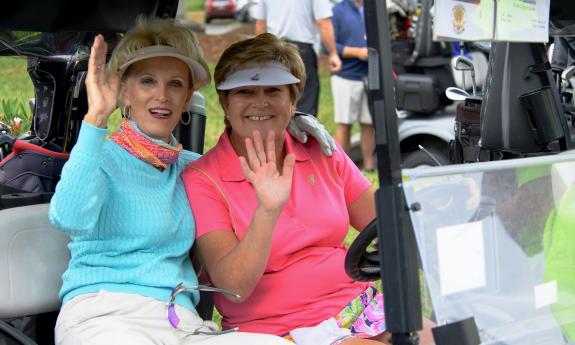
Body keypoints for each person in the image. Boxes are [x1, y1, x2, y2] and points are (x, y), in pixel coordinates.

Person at [48, 17, 297, 345]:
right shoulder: (99, 157)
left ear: (187, 97)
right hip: (104, 314)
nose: (162, 96)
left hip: (180, 322)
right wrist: (95, 119)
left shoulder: (193, 170)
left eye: (175, 84)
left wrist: (291, 130)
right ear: (125, 91)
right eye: (147, 81)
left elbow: (250, 166)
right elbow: (68, 218)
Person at [182, 33, 392, 345]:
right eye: (245, 91)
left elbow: (384, 223)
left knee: (441, 333)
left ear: (293, 100)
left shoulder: (320, 150)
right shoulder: (204, 177)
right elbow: (232, 286)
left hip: (358, 304)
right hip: (283, 329)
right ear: (225, 103)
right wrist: (268, 211)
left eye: (273, 90)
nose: (260, 102)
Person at [253, 0, 342, 116]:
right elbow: (323, 22)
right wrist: (333, 53)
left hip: (274, 51)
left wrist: (260, 53)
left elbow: (261, 24)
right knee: (305, 107)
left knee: (276, 101)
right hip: (301, 52)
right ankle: (301, 133)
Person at [331, 0, 375, 172]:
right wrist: (357, 52)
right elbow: (329, 47)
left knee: (368, 124)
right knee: (344, 124)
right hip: (346, 76)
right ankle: (341, 170)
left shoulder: (372, 8)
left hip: (370, 75)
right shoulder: (337, 11)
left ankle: (370, 167)